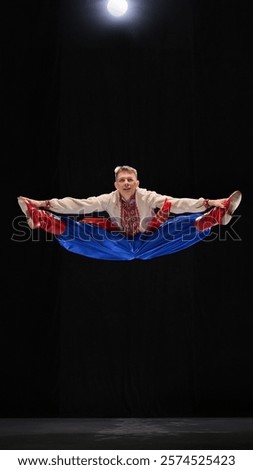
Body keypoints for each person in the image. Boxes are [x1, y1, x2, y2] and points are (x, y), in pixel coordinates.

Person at [17, 165, 242, 261]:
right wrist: (44, 203)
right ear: (116, 184)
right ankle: (39, 218)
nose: (126, 183)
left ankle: (217, 216)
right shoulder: (108, 198)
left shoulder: (147, 196)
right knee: (82, 231)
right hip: (120, 241)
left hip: (149, 238)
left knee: (179, 225)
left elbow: (177, 203)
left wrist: (210, 202)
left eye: (130, 180)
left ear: (137, 182)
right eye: (122, 180)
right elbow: (78, 205)